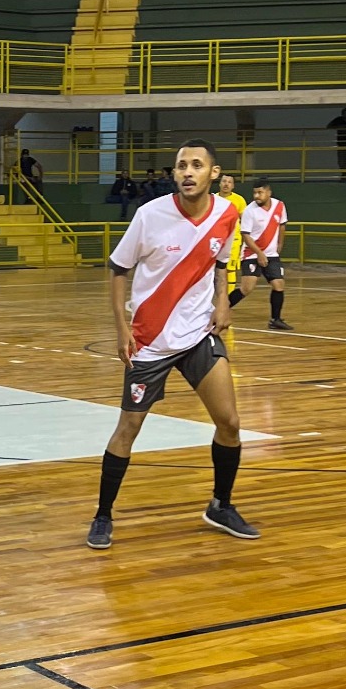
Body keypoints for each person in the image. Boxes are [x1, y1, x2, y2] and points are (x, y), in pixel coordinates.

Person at [86, 139, 257, 551]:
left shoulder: (227, 213)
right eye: (181, 165)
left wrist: (221, 301)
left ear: (213, 174)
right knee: (127, 430)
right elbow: (116, 269)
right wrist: (121, 327)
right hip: (150, 341)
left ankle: (220, 505)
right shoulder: (150, 215)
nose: (187, 172)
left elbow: (219, 262)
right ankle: (102, 515)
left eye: (197, 165)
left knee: (230, 424)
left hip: (199, 334)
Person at [228, 177, 292, 331]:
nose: (257, 196)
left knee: (278, 285)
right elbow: (246, 235)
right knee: (247, 288)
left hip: (271, 254)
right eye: (255, 193)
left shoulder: (279, 206)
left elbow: (282, 225)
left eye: (260, 193)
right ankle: (222, 308)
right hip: (251, 254)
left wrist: (280, 244)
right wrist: (259, 254)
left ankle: (275, 319)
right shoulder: (250, 211)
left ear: (268, 192)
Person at [216, 171, 248, 299]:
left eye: (229, 182)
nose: (226, 184)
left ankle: (227, 300)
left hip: (233, 240)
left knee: (230, 269)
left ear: (233, 185)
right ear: (219, 183)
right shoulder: (213, 199)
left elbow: (245, 220)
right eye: (224, 181)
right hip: (216, 239)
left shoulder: (239, 200)